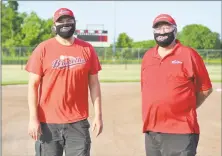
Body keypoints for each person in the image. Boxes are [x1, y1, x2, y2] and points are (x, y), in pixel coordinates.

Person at [25, 8, 103, 156]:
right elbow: (33, 85)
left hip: (78, 123)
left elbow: (94, 84)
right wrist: (33, 119)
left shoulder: (87, 49)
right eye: (61, 21)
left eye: (69, 20)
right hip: (48, 122)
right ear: (54, 25)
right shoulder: (43, 49)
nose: (65, 23)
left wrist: (98, 115)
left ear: (74, 23)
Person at [141, 14, 213, 156]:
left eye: (166, 27)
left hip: (181, 131)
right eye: (158, 28)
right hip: (152, 131)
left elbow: (206, 89)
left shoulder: (189, 55)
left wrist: (185, 107)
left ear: (175, 30)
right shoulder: (148, 56)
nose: (162, 31)